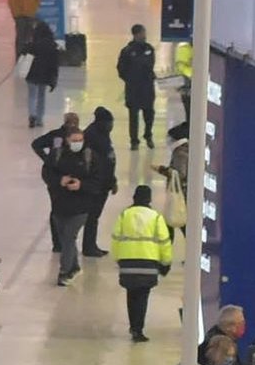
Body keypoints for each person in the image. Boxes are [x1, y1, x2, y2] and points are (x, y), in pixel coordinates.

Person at [34, 114, 100, 282]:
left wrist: (81, 185)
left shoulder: (90, 157)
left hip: (81, 207)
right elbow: (47, 173)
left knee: (69, 237)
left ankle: (64, 272)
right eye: (74, 140)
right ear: (67, 140)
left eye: (80, 140)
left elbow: (97, 181)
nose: (78, 143)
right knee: (65, 239)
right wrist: (59, 181)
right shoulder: (56, 154)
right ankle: (75, 266)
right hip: (59, 205)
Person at [107, 184, 176, 341]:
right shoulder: (156, 217)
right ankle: (139, 329)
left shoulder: (125, 215)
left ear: (134, 198)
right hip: (148, 264)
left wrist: (118, 259)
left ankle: (133, 327)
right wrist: (166, 262)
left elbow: (116, 239)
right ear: (149, 199)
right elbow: (164, 242)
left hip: (128, 263)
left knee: (131, 295)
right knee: (143, 296)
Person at [68, 109, 117, 257]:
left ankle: (91, 244)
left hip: (103, 182)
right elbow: (100, 163)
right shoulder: (93, 136)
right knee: (92, 216)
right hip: (96, 183)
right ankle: (88, 247)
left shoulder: (102, 134)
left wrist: (112, 180)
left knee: (94, 216)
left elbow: (109, 161)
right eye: (109, 123)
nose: (111, 126)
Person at [116, 24, 159, 149]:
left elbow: (151, 64)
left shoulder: (149, 49)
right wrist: (130, 79)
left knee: (149, 114)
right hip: (133, 89)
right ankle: (134, 141)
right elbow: (121, 69)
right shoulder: (127, 51)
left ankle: (148, 135)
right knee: (133, 116)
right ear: (136, 34)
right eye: (142, 33)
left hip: (147, 88)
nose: (144, 35)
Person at [15, 11, 61, 128]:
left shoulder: (33, 44)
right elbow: (54, 64)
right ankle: (40, 119)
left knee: (32, 95)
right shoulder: (52, 46)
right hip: (44, 76)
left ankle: (32, 115)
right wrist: (53, 79)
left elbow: (22, 53)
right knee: (41, 96)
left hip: (32, 75)